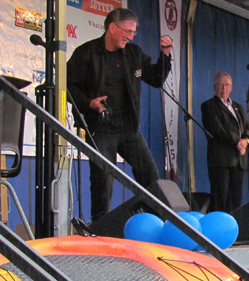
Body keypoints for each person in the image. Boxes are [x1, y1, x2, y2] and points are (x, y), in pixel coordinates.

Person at [67, 8, 173, 222]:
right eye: (128, 31)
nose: (131, 36)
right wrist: (89, 102)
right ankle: (100, 226)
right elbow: (68, 86)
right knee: (102, 181)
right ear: (112, 28)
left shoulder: (134, 53)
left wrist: (165, 55)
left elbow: (154, 78)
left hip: (129, 127)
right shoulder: (86, 53)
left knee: (150, 174)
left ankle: (154, 221)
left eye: (134, 32)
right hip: (101, 127)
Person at [201, 72, 249, 213]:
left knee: (235, 199)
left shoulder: (237, 106)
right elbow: (217, 130)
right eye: (220, 84)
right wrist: (238, 142)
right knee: (220, 198)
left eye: (226, 84)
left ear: (231, 87)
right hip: (221, 160)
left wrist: (245, 141)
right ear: (214, 87)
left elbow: (248, 127)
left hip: (239, 159)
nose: (223, 88)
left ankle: (233, 230)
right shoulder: (209, 106)